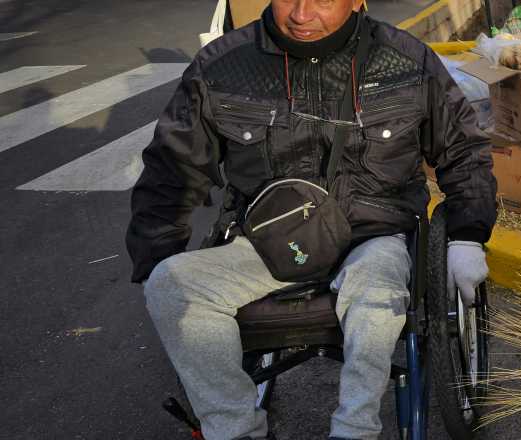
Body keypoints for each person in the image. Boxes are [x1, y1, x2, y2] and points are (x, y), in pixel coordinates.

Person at [127, 1, 498, 439]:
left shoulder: (406, 60)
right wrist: (159, 255)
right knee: (171, 285)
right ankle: (235, 428)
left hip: (372, 232)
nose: (302, 14)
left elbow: (463, 151)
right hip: (269, 238)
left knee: (376, 290)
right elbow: (172, 170)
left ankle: (354, 429)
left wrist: (467, 236)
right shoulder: (222, 66)